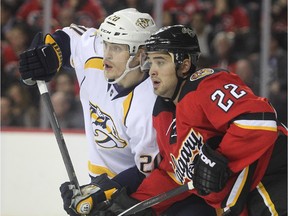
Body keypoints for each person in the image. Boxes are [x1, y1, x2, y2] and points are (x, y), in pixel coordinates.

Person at [18, 9, 215, 216]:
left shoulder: (152, 104)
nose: (107, 54)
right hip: (102, 183)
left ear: (140, 55)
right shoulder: (97, 56)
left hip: (133, 190)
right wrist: (48, 56)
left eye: (117, 48)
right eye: (106, 44)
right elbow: (70, 40)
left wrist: (101, 194)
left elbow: (147, 173)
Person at [130, 25, 285, 215]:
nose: (152, 71)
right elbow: (172, 174)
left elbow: (258, 120)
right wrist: (136, 206)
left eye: (160, 62)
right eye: (150, 62)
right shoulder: (162, 114)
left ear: (184, 65)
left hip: (274, 176)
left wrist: (220, 158)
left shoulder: (205, 84)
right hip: (247, 200)